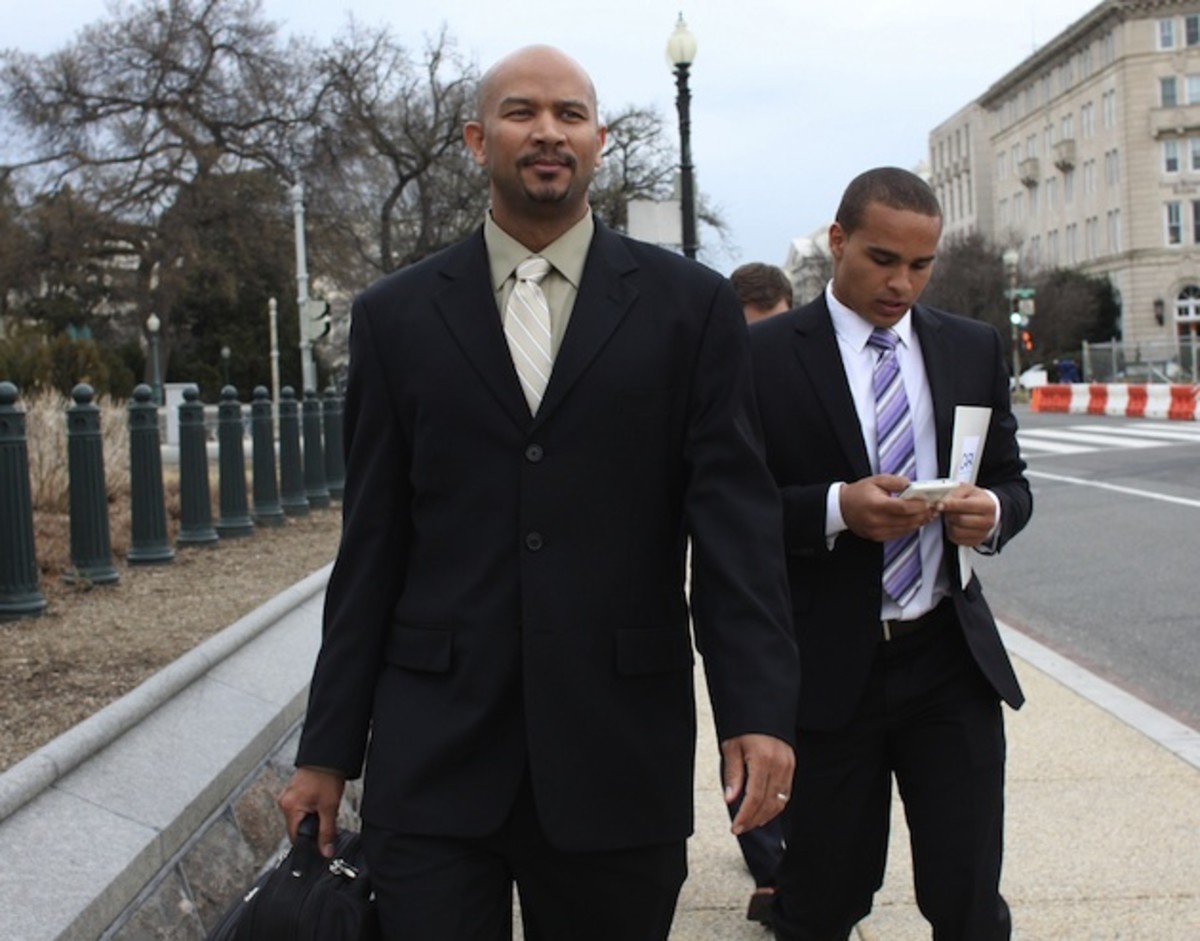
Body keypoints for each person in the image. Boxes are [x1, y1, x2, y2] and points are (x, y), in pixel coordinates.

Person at [277, 45, 799, 941]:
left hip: (617, 748)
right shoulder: (395, 318)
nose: (547, 131)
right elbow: (370, 544)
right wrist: (327, 749)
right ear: (479, 141)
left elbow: (734, 528)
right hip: (435, 752)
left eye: (569, 114)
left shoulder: (691, 309)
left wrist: (755, 710)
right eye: (521, 113)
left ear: (600, 141)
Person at [748, 167, 1032, 941]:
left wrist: (993, 512)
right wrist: (838, 508)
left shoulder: (971, 348)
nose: (901, 283)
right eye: (881, 259)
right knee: (822, 899)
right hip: (831, 666)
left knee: (969, 898)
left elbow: (1011, 480)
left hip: (947, 656)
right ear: (838, 242)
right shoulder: (763, 357)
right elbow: (731, 510)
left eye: (920, 265)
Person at [722, 260, 794, 927]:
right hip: (746, 579)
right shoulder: (718, 384)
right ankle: (770, 863)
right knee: (748, 718)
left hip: (811, 576)